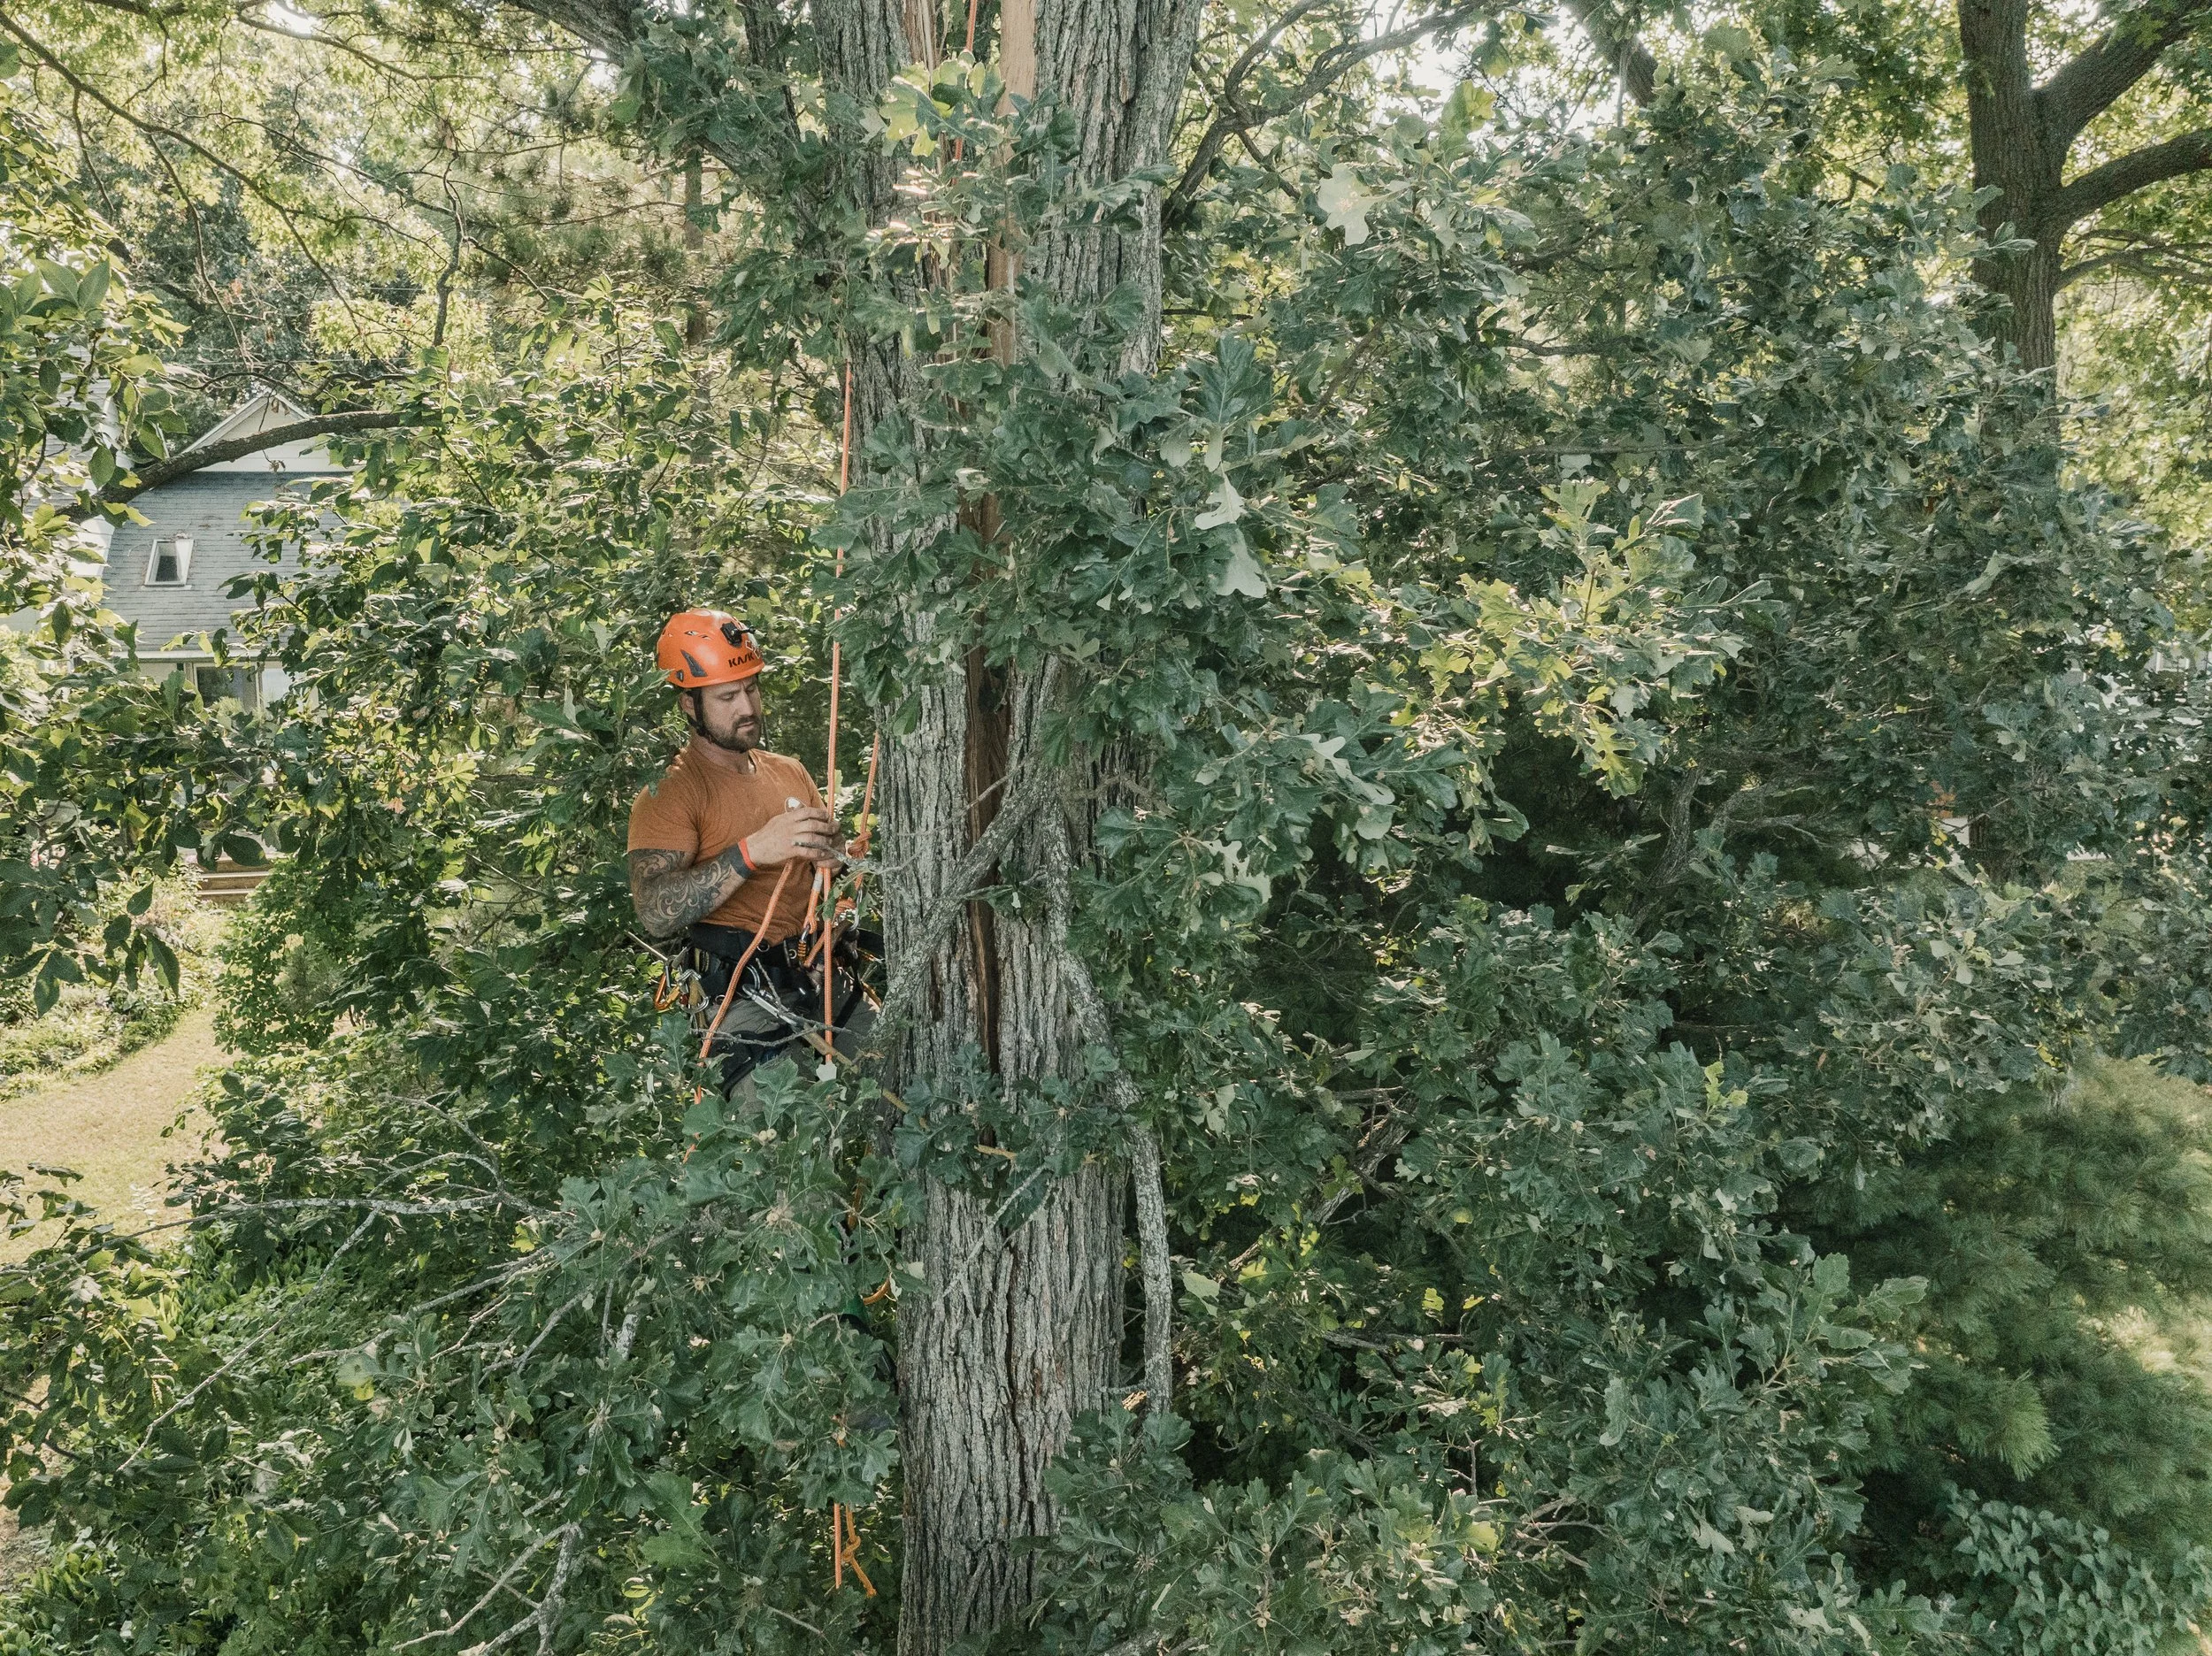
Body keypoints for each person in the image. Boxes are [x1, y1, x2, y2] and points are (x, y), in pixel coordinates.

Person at [628, 608, 850, 1089]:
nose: (747, 707)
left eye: (751, 688)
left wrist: (835, 863)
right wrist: (751, 852)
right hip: (738, 996)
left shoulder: (788, 771)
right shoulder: (671, 791)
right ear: (691, 706)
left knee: (901, 1074)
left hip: (815, 974)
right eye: (727, 696)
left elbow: (831, 879)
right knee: (787, 1127)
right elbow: (654, 910)